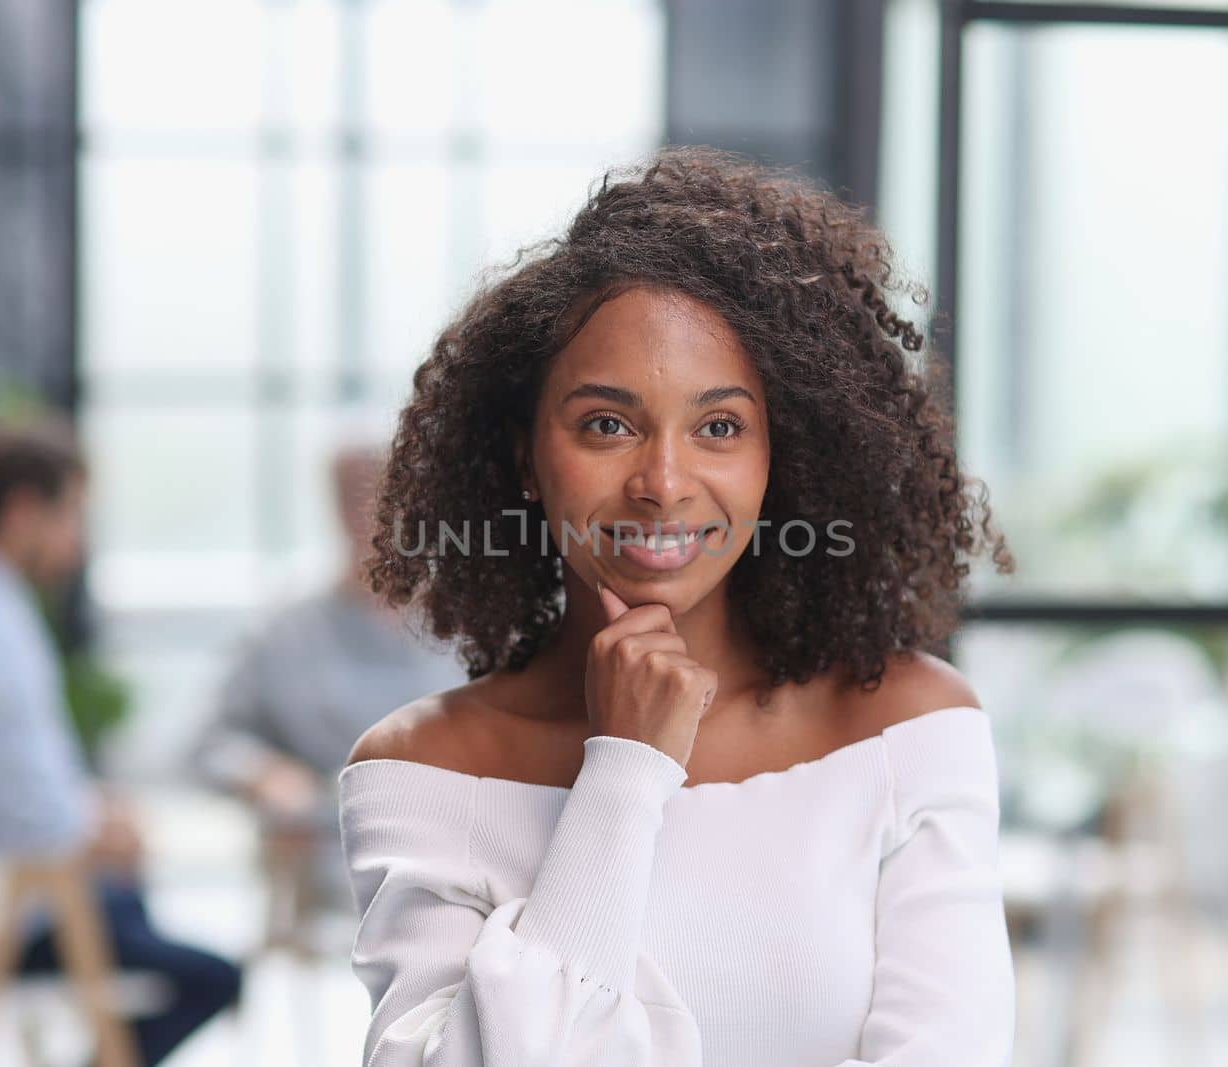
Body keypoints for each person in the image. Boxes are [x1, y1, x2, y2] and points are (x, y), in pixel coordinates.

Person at [337, 146, 1018, 1066]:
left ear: (786, 454)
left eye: (719, 427)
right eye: (607, 424)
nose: (663, 483)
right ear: (525, 455)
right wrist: (623, 773)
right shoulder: (423, 770)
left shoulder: (909, 729)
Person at [0, 419, 241, 1066]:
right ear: (23, 511)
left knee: (127, 906)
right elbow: (34, 815)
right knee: (214, 976)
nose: (77, 541)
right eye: (71, 515)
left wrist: (86, 811)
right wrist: (102, 825)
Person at [191, 440, 467, 911]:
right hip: (333, 847)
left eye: (385, 494)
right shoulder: (287, 632)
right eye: (352, 497)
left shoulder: (472, 624)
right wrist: (263, 775)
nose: (368, 514)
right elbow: (212, 744)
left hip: (463, 842)